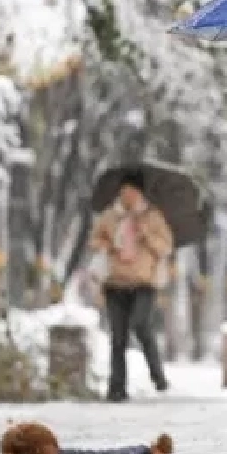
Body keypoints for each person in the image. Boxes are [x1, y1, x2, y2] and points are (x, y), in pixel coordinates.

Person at [89, 169, 173, 402]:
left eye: (132, 192)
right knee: (118, 336)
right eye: (124, 192)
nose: (127, 197)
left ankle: (157, 375)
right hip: (115, 283)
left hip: (144, 282)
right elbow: (94, 241)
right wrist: (107, 242)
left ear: (139, 193)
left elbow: (166, 247)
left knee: (140, 324)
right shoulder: (110, 216)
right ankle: (116, 387)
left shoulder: (152, 217)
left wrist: (146, 234)